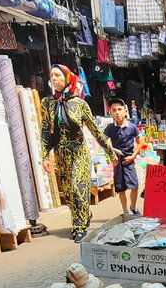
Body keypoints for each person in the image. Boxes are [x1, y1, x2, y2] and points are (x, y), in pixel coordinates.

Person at [40, 64, 118, 242]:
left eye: (58, 75)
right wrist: (44, 156)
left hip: (79, 153)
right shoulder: (48, 103)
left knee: (78, 187)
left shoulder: (79, 104)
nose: (54, 79)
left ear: (67, 78)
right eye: (51, 75)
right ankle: (83, 214)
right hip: (61, 154)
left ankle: (79, 226)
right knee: (68, 192)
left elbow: (95, 131)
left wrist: (109, 152)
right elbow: (45, 130)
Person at [103, 96, 141, 215]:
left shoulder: (132, 127)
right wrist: (113, 151)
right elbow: (104, 143)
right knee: (121, 188)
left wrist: (133, 156)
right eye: (114, 110)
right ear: (111, 113)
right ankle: (125, 211)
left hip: (129, 160)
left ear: (125, 110)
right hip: (117, 161)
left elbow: (140, 143)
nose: (117, 113)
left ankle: (133, 207)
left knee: (134, 186)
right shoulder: (110, 128)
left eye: (119, 109)